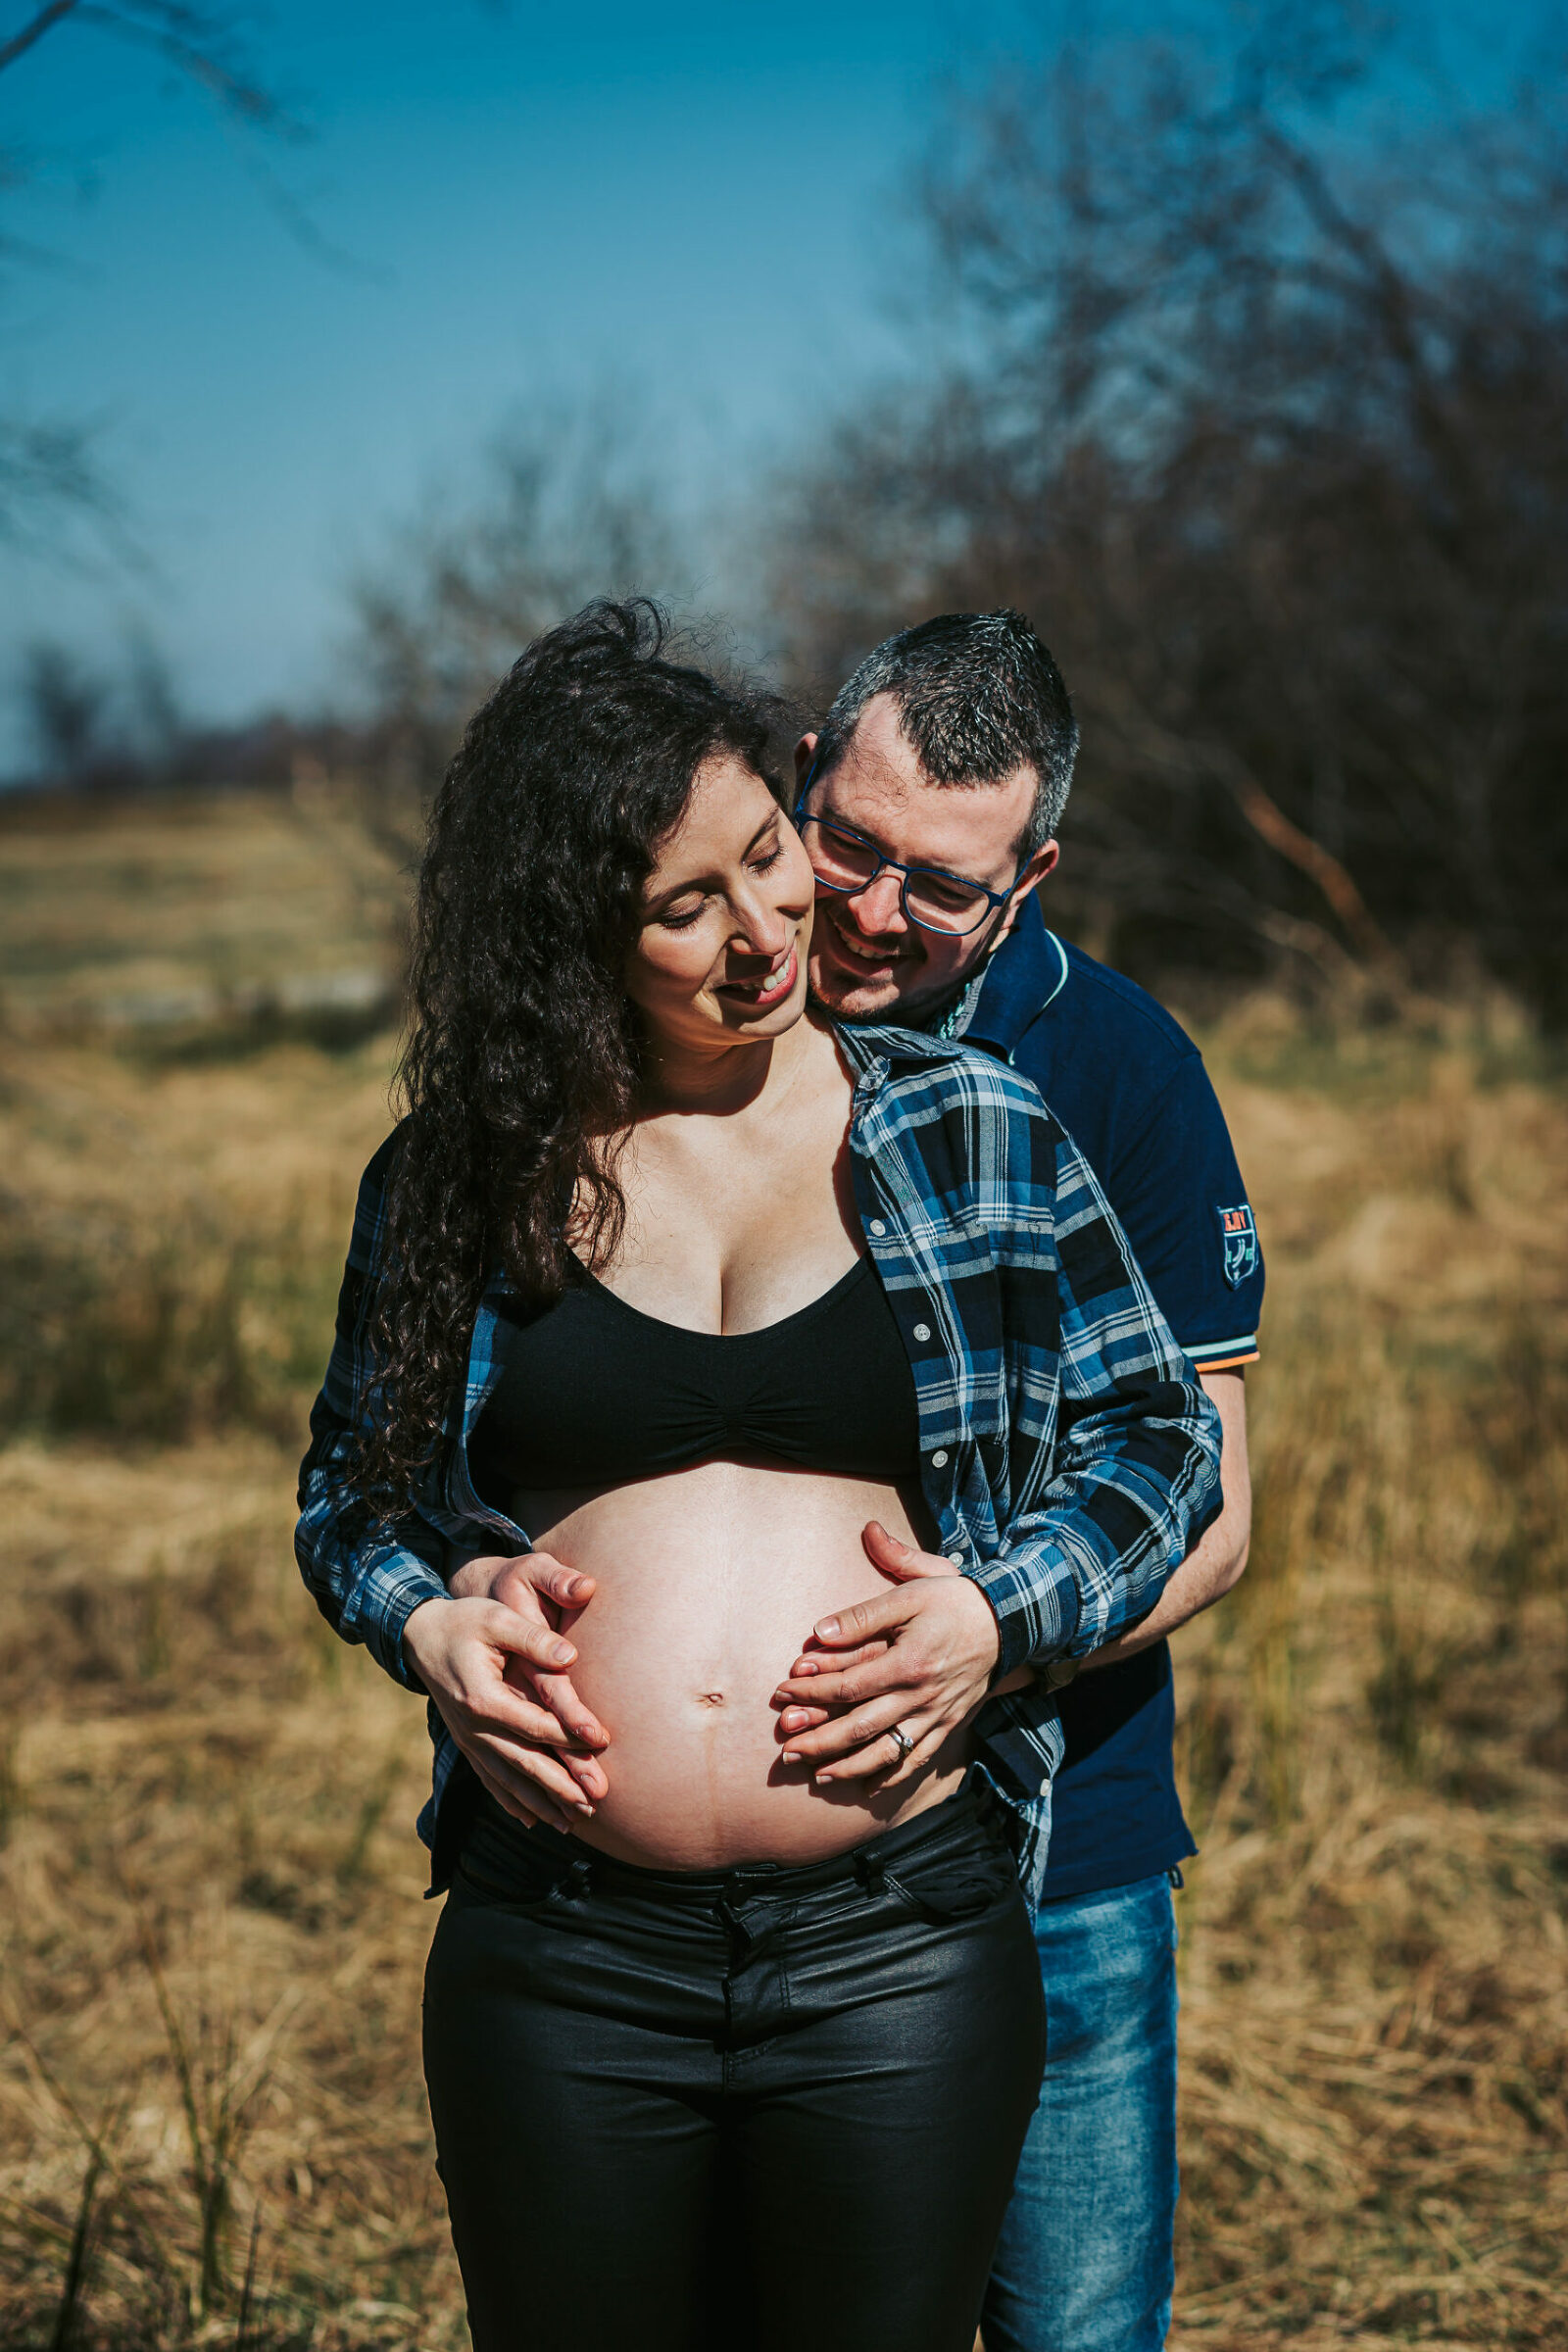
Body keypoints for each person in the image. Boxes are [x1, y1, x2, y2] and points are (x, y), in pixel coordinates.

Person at [295, 601, 1222, 2352]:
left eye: (767, 859)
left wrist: (997, 1615)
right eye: (683, 904)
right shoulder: (463, 1172)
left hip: (898, 1941)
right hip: (562, 1945)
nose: (768, 930)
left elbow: (1163, 1444)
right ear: (581, 930)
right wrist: (428, 1618)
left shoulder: (970, 1128)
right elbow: (352, 1492)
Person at [780, 609, 1265, 2352]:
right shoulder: (706, 1010)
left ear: (1034, 870)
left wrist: (993, 1636)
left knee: (1070, 2329)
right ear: (808, 774)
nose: (874, 912)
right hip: (763, 1889)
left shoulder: (1125, 1064)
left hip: (1070, 1856)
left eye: (946, 887)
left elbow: (1215, 1496)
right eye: (851, 843)